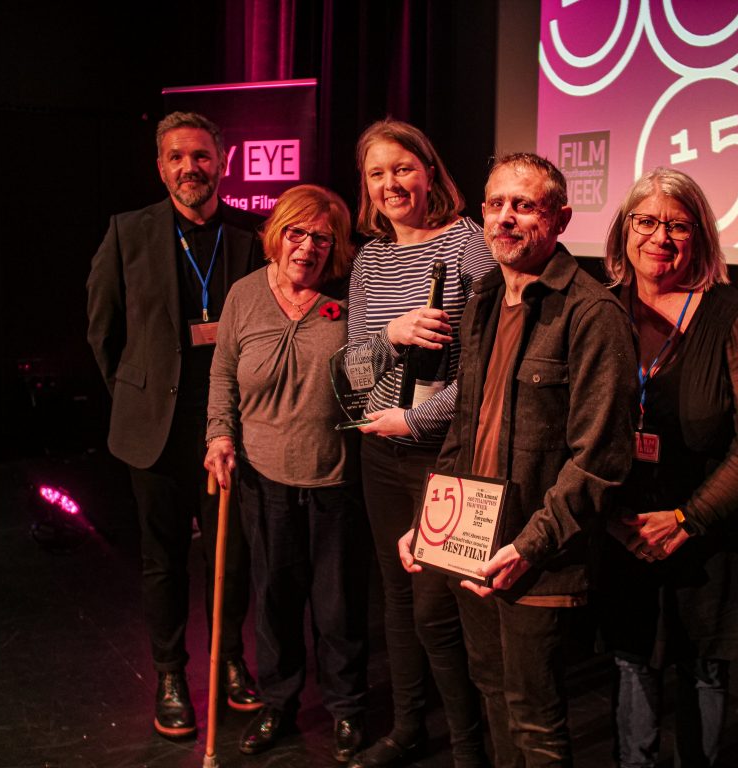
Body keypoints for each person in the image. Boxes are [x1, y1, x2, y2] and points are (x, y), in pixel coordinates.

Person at [400, 152, 637, 767]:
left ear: (559, 219)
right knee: (492, 698)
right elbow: (463, 429)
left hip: (539, 556)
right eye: (496, 204)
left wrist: (530, 545)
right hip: (473, 543)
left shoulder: (592, 314)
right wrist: (433, 523)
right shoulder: (482, 298)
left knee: (534, 720)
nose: (506, 218)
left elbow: (600, 460)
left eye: (524, 206)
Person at [600, 167, 738, 768]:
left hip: (707, 535)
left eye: (677, 225)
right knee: (631, 660)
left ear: (701, 236)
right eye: (645, 221)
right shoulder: (601, 311)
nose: (660, 236)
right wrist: (606, 516)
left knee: (702, 669)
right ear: (624, 231)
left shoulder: (733, 317)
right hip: (622, 528)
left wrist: (687, 518)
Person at [86, 111, 262, 740]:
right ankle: (168, 674)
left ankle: (232, 660)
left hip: (230, 427)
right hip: (153, 429)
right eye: (178, 157)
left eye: (203, 156)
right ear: (160, 166)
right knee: (162, 561)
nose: (192, 167)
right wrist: (137, 397)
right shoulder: (126, 232)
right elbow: (103, 334)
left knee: (231, 557)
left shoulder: (251, 238)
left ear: (224, 162)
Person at [346, 119, 496, 768]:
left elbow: (493, 369)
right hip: (380, 453)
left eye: (402, 167)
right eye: (377, 174)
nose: (390, 184)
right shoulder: (371, 259)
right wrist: (395, 334)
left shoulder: (471, 247)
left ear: (431, 170)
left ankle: (470, 746)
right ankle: (409, 728)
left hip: (447, 452)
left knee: (441, 608)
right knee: (399, 597)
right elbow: (355, 368)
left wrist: (420, 420)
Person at [203, 184, 369, 760]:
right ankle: (279, 704)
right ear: (277, 236)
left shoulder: (352, 296)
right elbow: (222, 374)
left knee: (338, 605)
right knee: (273, 600)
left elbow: (373, 378)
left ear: (336, 246)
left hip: (335, 479)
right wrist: (219, 434)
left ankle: (348, 708)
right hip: (263, 478)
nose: (307, 247)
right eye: (296, 233)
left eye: (322, 237)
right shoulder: (246, 295)